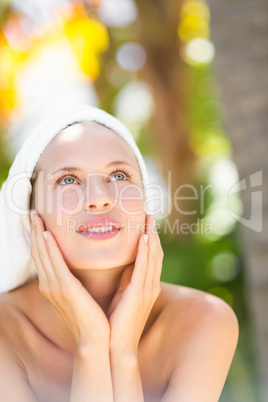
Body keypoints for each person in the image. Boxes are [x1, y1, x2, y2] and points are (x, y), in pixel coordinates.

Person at [0, 106, 239, 402]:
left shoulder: (203, 321)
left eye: (118, 175)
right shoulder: (5, 334)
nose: (99, 198)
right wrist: (91, 341)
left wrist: (123, 351)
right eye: (67, 180)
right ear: (30, 213)